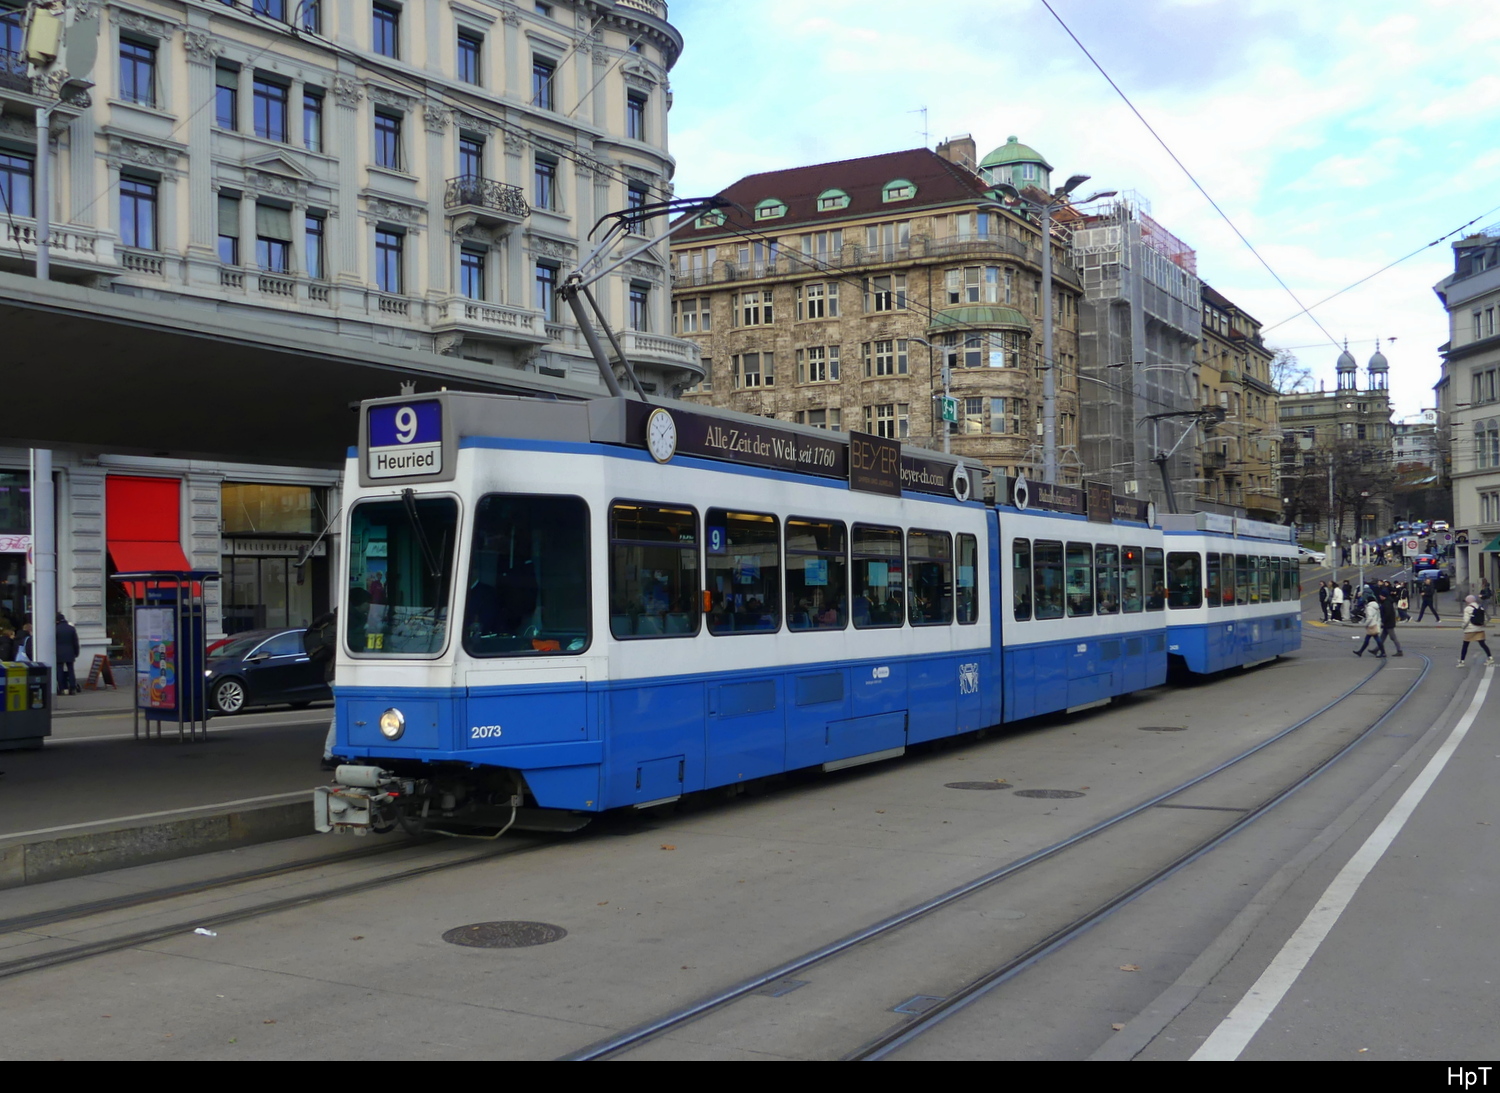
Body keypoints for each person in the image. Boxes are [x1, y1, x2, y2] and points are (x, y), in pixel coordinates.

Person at [1457, 594, 1494, 668]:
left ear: (1468, 601)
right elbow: (1486, 618)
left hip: (1470, 630)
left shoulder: (1467, 608)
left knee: (1465, 645)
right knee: (1482, 644)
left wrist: (1463, 627)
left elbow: (1466, 620)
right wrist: (1483, 625)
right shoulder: (1480, 607)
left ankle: (1462, 661)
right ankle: (1490, 658)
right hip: (1479, 629)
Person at [54, 612, 80, 695]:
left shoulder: (55, 629)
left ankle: (62, 688)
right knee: (71, 670)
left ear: (57, 620)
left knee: (59, 671)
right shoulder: (71, 628)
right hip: (70, 652)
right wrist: (76, 652)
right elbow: (75, 642)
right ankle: (73, 688)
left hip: (59, 653)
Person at [1378, 592, 1403, 657]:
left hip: (1389, 623)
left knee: (1393, 637)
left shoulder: (1387, 603)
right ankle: (1376, 649)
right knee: (1382, 637)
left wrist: (1383, 621)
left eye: (1381, 595)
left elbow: (1387, 614)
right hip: (1388, 623)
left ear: (1384, 596)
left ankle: (1399, 650)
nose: (1380, 597)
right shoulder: (1387, 602)